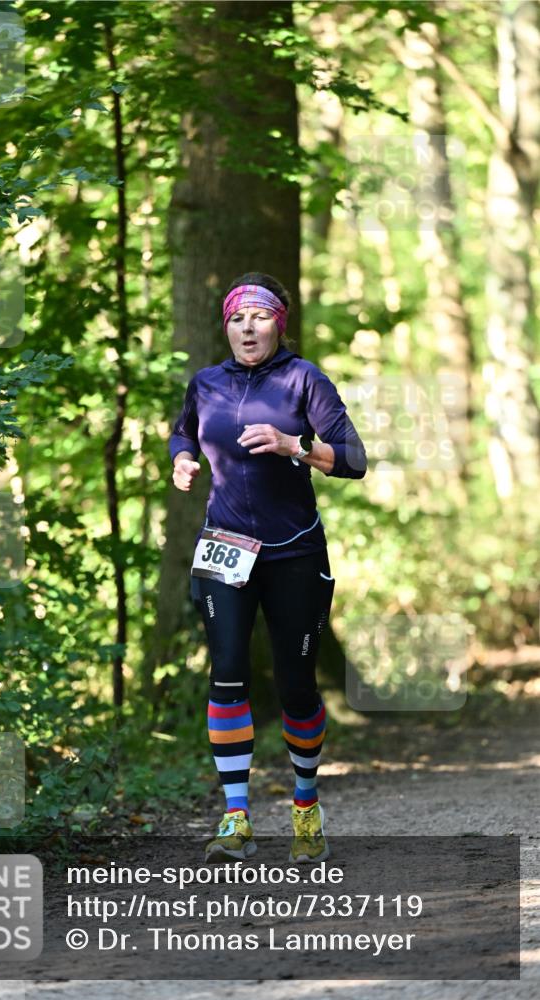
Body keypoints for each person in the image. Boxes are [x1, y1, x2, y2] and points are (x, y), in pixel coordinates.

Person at [169, 272, 367, 864]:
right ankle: (236, 818)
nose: (247, 327)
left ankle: (305, 807)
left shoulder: (304, 380)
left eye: (259, 316)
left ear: (279, 322)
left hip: (294, 551)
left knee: (295, 684)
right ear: (225, 325)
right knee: (227, 670)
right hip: (224, 546)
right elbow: (182, 434)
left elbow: (354, 460)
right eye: (237, 317)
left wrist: (295, 445)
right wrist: (181, 461)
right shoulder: (204, 384)